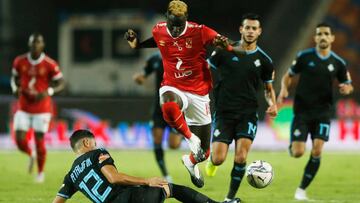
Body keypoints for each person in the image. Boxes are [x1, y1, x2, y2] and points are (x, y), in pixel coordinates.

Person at [124, 0, 230, 188]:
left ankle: (190, 162)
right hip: (173, 86)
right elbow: (157, 40)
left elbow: (225, 44)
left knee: (204, 153)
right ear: (167, 18)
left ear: (186, 19)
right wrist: (137, 45)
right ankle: (190, 138)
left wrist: (227, 45)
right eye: (172, 25)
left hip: (199, 92)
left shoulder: (200, 31)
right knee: (167, 103)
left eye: (179, 26)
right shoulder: (159, 29)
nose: (174, 30)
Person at [52, 129, 240, 203]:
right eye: (92, 142)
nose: (94, 144)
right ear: (86, 143)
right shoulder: (96, 153)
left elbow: (57, 202)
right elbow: (114, 177)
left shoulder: (71, 176)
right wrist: (147, 180)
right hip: (127, 199)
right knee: (169, 188)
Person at [204, 13, 278, 202]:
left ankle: (229, 198)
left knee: (240, 157)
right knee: (219, 158)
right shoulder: (224, 51)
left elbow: (268, 89)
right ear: (241, 29)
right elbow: (204, 69)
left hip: (248, 114)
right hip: (224, 113)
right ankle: (212, 162)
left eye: (254, 28)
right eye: (248, 27)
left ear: (259, 32)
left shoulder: (265, 61)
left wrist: (273, 104)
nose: (251, 31)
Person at [277, 22, 353, 200]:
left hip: (323, 113)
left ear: (332, 38)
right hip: (302, 112)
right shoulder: (304, 57)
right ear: (315, 37)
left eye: (326, 33)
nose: (323, 37)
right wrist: (284, 90)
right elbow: (288, 75)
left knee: (317, 150)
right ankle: (293, 146)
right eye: (319, 34)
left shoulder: (338, 63)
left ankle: (301, 190)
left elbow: (348, 84)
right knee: (297, 153)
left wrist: (346, 89)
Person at [10, 33, 65, 183]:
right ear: (29, 45)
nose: (35, 45)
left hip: (42, 108)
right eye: (33, 43)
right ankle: (30, 153)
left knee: (39, 141)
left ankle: (40, 173)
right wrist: (15, 87)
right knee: (19, 140)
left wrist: (49, 91)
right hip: (23, 106)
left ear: (42, 45)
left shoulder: (49, 64)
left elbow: (61, 83)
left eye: (38, 43)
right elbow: (14, 78)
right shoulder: (19, 61)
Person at [133, 51, 182, 181]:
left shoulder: (181, 57)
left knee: (174, 145)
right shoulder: (154, 59)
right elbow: (143, 75)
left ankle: (184, 134)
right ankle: (166, 174)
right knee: (157, 140)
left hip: (176, 107)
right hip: (158, 107)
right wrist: (139, 79)